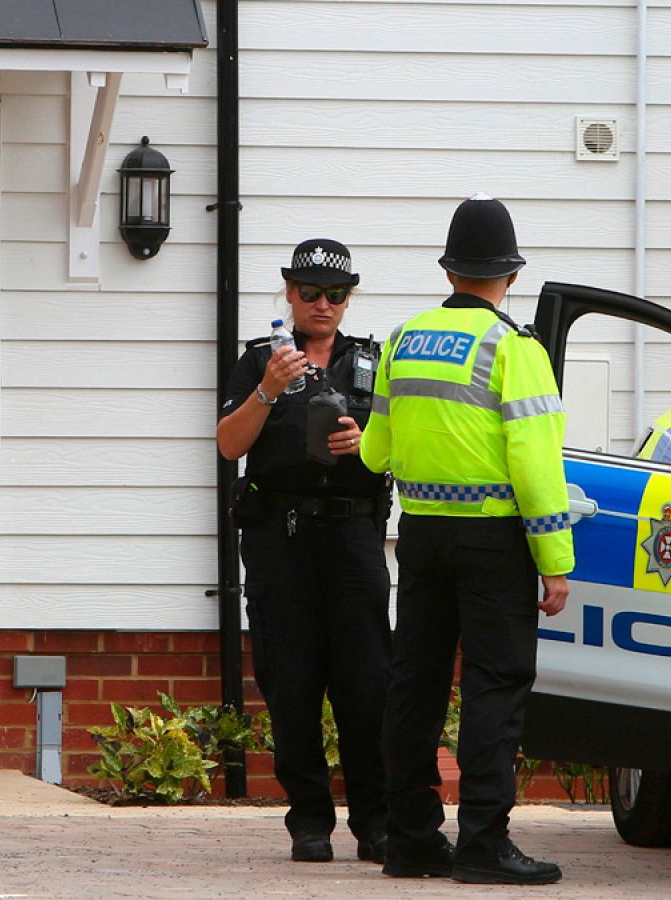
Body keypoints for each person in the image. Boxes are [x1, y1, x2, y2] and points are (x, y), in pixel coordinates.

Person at [359, 195, 573, 885]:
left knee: (414, 684)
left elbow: (371, 452)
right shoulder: (514, 348)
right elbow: (537, 468)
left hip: (419, 536)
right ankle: (484, 842)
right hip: (492, 543)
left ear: (450, 270)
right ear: (509, 275)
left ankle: (411, 838)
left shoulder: (401, 340)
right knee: (494, 686)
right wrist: (556, 564)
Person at [217, 238, 392, 864]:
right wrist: (266, 390)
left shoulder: (377, 362)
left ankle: (376, 821)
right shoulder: (261, 361)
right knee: (290, 685)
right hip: (280, 540)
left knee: (367, 685)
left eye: (336, 294)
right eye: (311, 292)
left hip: (352, 538)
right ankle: (309, 821)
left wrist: (366, 444)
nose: (323, 304)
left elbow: (402, 449)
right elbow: (229, 446)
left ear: (349, 299)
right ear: (290, 294)